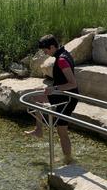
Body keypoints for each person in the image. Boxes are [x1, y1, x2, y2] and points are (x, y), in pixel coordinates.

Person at [24, 35, 80, 164]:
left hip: (68, 97)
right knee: (37, 99)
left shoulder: (61, 60)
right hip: (63, 94)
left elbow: (73, 84)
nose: (45, 53)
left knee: (62, 130)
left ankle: (68, 159)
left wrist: (54, 87)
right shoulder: (63, 54)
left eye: (46, 50)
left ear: (53, 47)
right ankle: (39, 131)